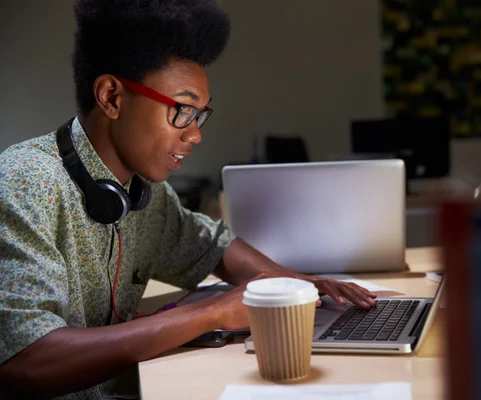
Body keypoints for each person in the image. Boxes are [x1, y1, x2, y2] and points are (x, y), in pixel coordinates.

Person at [0, 1, 377, 398]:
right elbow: (24, 360)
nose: (195, 134)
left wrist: (298, 285)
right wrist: (211, 313)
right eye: (181, 110)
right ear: (111, 97)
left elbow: (212, 246)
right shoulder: (26, 182)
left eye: (200, 115)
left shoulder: (144, 192)